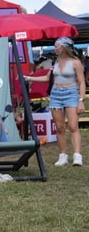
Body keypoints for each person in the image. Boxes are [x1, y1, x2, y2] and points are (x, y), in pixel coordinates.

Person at [24, 37, 85, 166]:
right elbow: (48, 78)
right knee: (60, 127)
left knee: (73, 126)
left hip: (71, 93)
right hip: (56, 94)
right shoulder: (55, 62)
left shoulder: (75, 62)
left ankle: (77, 156)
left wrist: (81, 100)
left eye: (57, 46)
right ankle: (62, 155)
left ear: (64, 47)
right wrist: (30, 78)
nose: (55, 48)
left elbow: (82, 82)